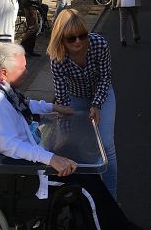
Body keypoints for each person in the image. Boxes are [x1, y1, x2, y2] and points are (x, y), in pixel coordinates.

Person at [0, 42, 151, 230]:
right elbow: (8, 144)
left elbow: (24, 106)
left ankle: (118, 227)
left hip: (23, 163)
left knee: (80, 161)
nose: (27, 71)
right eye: (23, 68)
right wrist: (51, 159)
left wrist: (53, 108)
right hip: (20, 174)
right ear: (3, 73)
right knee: (85, 182)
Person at [48, 10, 118, 199]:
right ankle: (81, 196)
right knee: (73, 145)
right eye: (71, 38)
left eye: (82, 35)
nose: (78, 41)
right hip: (75, 98)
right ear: (61, 38)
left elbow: (105, 77)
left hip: (102, 94)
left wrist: (96, 104)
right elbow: (61, 97)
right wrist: (64, 125)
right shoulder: (57, 58)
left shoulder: (99, 44)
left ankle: (112, 198)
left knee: (105, 143)